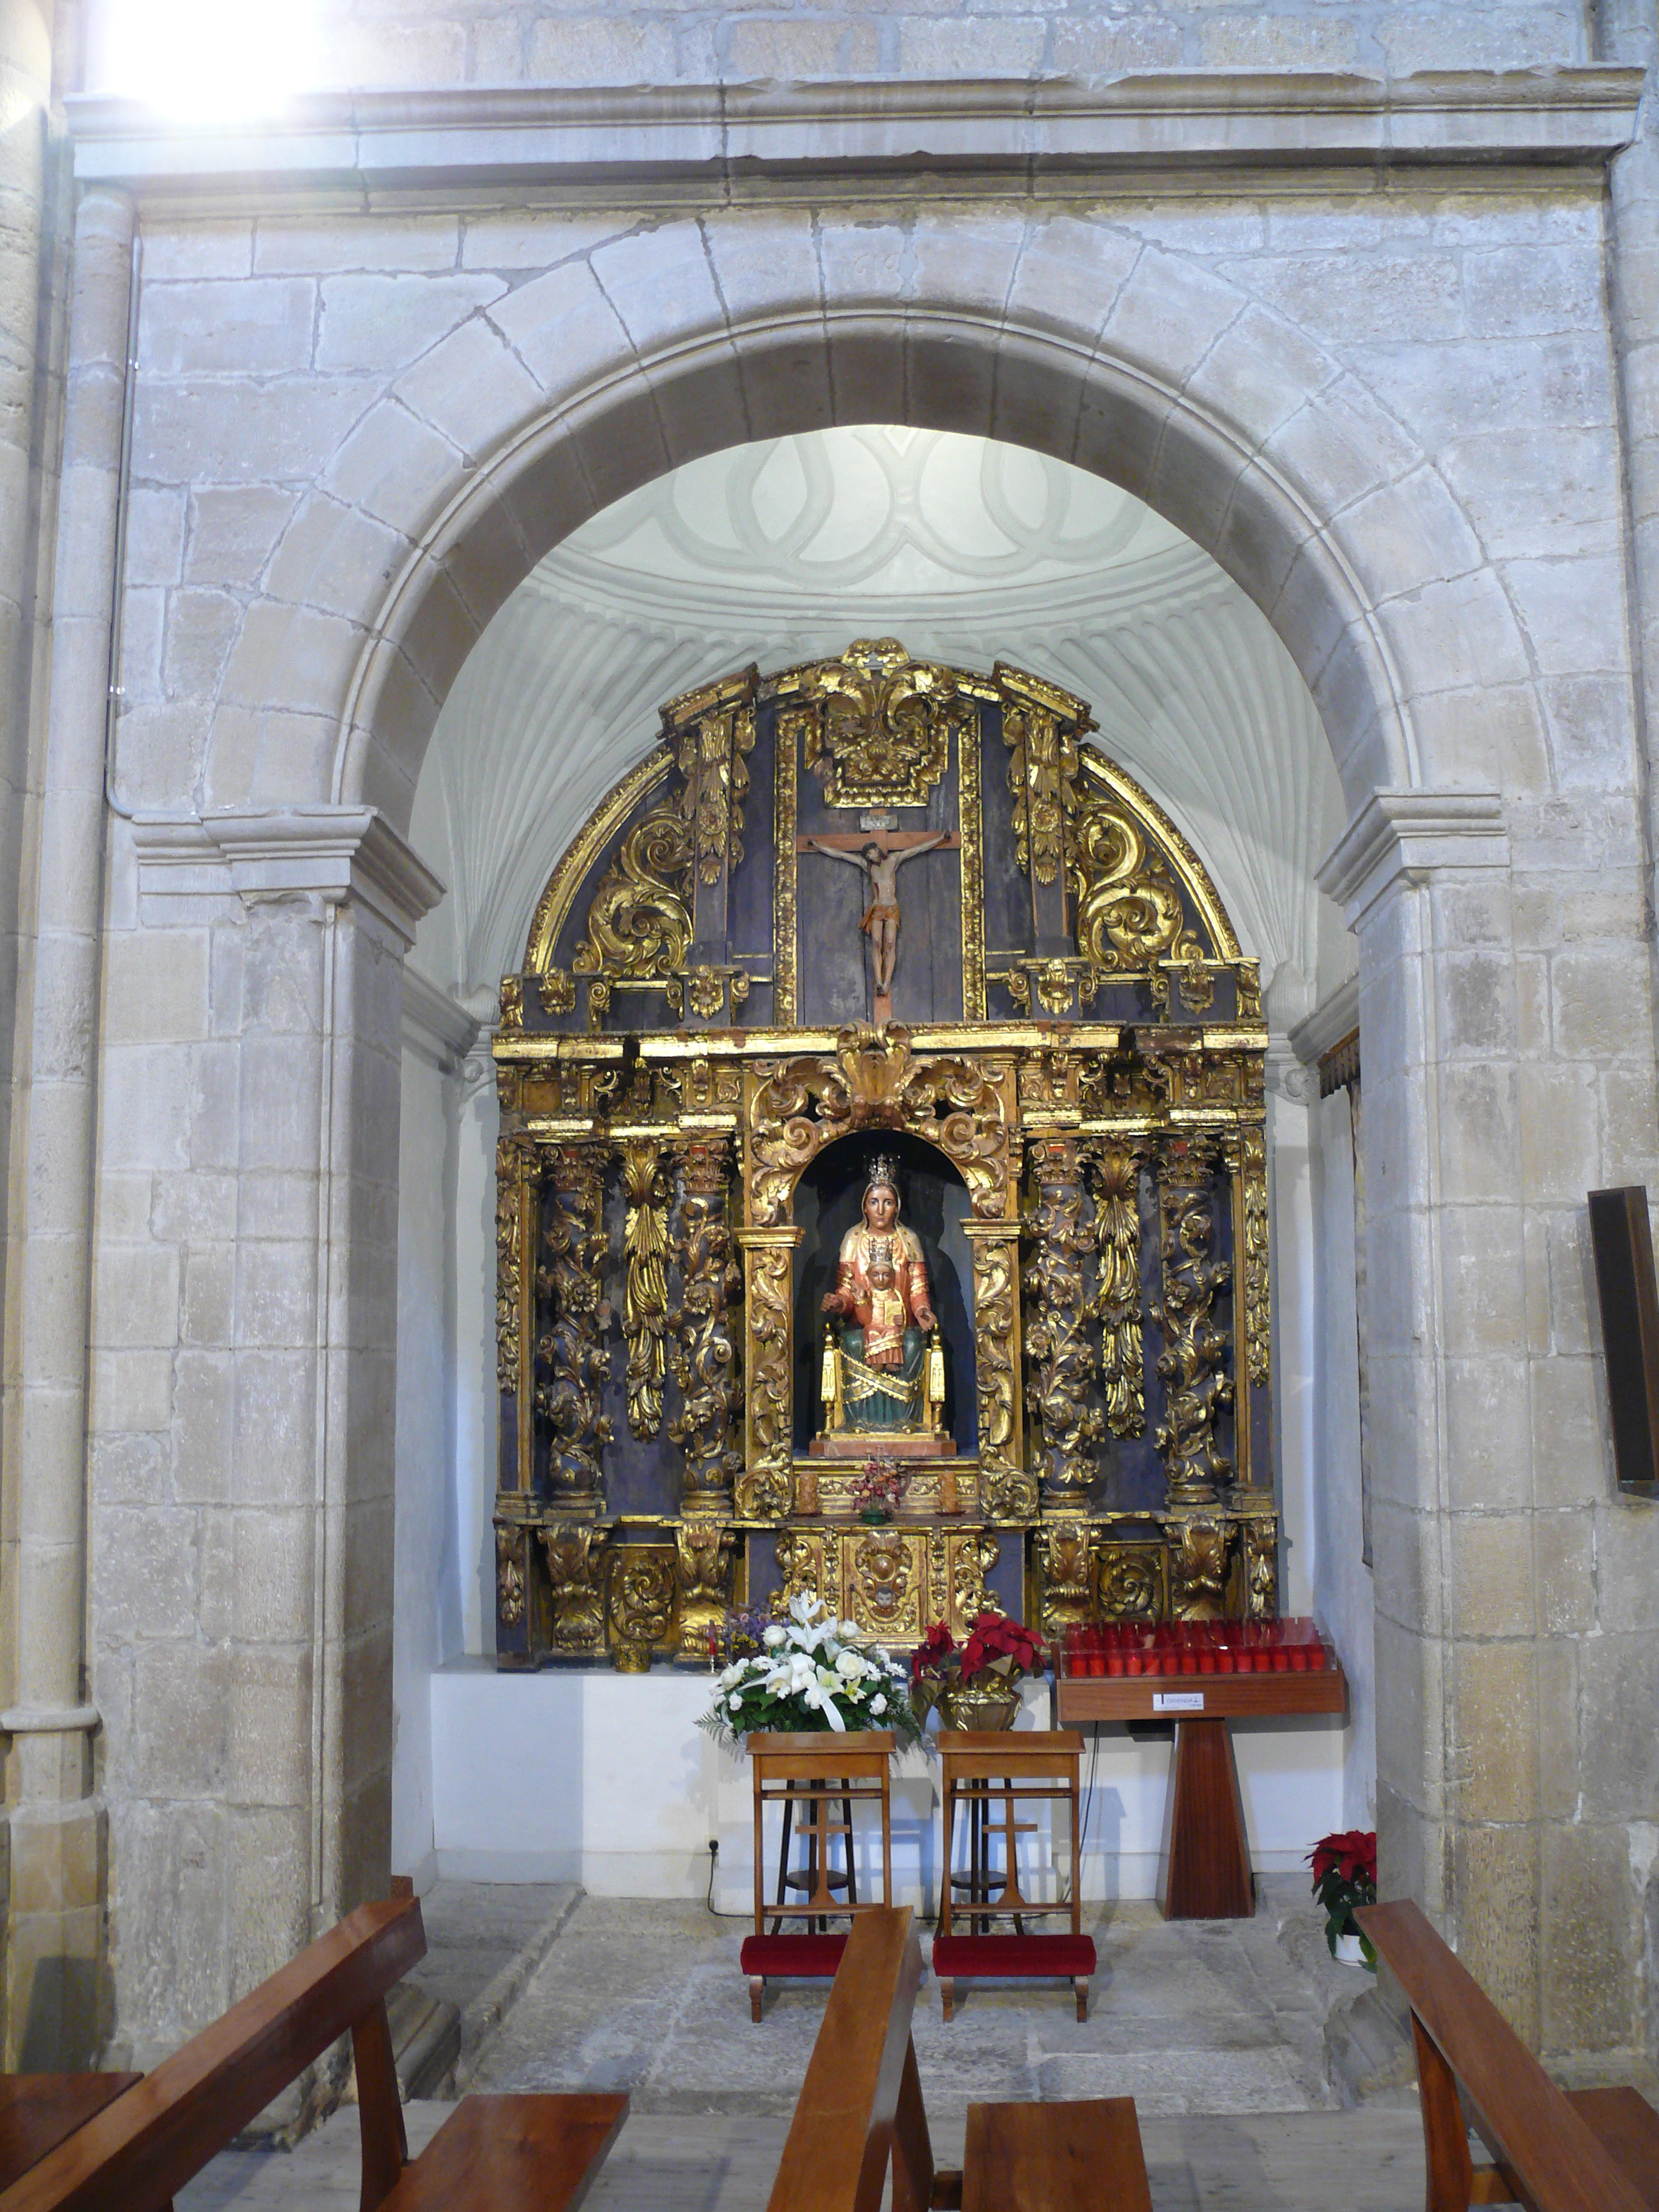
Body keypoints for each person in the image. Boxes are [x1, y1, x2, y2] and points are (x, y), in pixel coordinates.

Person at [821, 1158, 939, 1432]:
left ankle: (906, 1421)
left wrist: (922, 1311)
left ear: (897, 1207)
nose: (881, 1210)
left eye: (888, 1202)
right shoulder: (853, 1239)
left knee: (913, 1345)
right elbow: (846, 1289)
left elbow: (918, 1288)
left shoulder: (908, 1240)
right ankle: (858, 1421)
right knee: (853, 1343)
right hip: (863, 1321)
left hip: (900, 1322)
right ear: (865, 1206)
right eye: (874, 1202)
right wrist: (839, 1303)